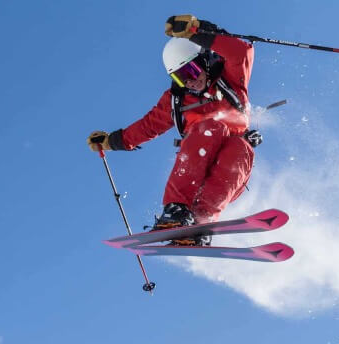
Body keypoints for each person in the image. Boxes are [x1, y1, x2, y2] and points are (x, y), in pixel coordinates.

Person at [87, 15, 260, 244]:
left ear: (205, 60)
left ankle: (201, 223)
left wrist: (199, 33)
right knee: (210, 127)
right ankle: (176, 212)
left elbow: (241, 52)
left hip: (229, 175)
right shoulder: (177, 100)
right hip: (196, 166)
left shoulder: (229, 78)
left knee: (241, 146)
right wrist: (113, 141)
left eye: (192, 70)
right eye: (181, 77)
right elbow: (148, 126)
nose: (190, 81)